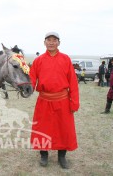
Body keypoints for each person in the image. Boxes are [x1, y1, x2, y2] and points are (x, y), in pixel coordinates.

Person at [29, 32, 79, 169]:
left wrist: (74, 102)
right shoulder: (38, 60)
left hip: (62, 100)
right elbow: (32, 78)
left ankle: (62, 156)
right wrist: (28, 89)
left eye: (54, 40)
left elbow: (73, 82)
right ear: (44, 42)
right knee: (42, 128)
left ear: (59, 42)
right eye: (48, 40)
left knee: (63, 129)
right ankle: (44, 155)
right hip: (44, 100)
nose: (51, 42)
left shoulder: (66, 59)